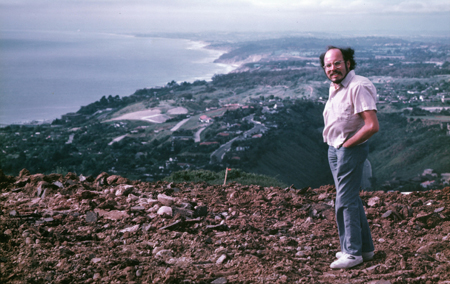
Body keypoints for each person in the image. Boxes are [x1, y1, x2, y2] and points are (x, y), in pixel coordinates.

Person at [319, 46, 379, 269]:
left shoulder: (358, 86)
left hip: (348, 149)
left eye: (337, 63)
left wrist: (347, 145)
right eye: (328, 65)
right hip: (335, 149)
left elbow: (372, 126)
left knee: (343, 200)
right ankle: (365, 248)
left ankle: (351, 253)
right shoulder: (335, 87)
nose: (332, 68)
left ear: (348, 63)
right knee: (349, 198)